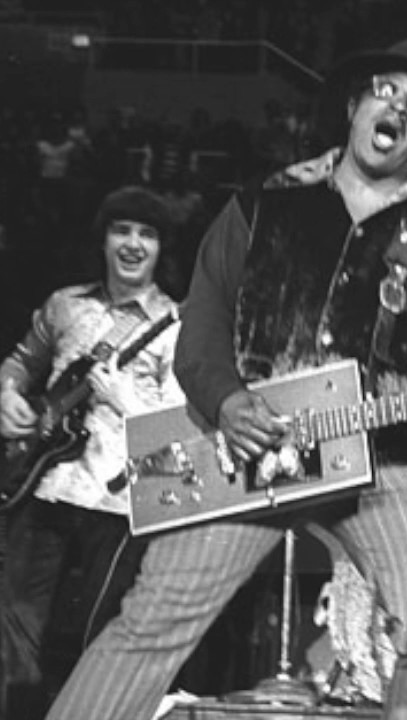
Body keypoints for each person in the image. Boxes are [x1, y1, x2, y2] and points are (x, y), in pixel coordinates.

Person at [42, 38, 407, 720]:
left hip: (387, 453)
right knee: (151, 624)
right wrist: (227, 402)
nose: (400, 110)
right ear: (354, 105)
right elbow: (201, 328)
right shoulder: (262, 202)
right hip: (250, 446)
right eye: (387, 90)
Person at [0, 185, 184, 720]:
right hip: (44, 490)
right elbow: (20, 362)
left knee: (95, 646)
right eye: (121, 230)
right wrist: (7, 396)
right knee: (15, 634)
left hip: (118, 507)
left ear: (160, 249)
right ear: (102, 240)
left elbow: (180, 431)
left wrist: (126, 401)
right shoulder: (65, 305)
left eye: (146, 234)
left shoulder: (177, 326)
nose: (132, 244)